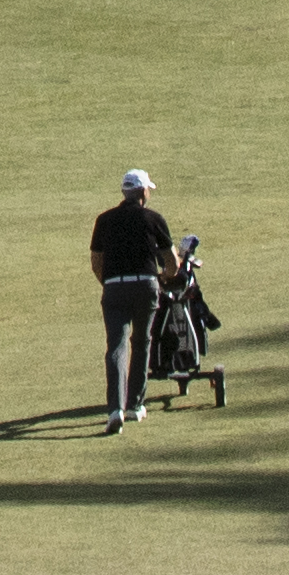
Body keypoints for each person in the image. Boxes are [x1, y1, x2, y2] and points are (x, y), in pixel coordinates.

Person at [89, 167, 189, 422]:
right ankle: (135, 405)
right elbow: (171, 261)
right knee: (141, 342)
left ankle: (115, 409)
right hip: (145, 286)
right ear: (143, 192)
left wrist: (108, 284)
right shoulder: (153, 219)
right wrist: (165, 277)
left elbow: (96, 261)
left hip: (113, 288)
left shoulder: (104, 220)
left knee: (116, 347)